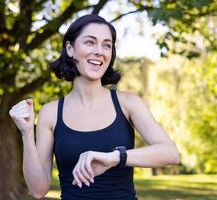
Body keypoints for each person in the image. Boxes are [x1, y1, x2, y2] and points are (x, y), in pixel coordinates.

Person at [9, 14, 180, 200]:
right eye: (90, 42)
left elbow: (170, 153)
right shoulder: (50, 113)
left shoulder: (128, 103)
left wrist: (114, 158)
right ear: (70, 48)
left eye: (107, 45)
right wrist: (26, 133)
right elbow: (38, 190)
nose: (99, 51)